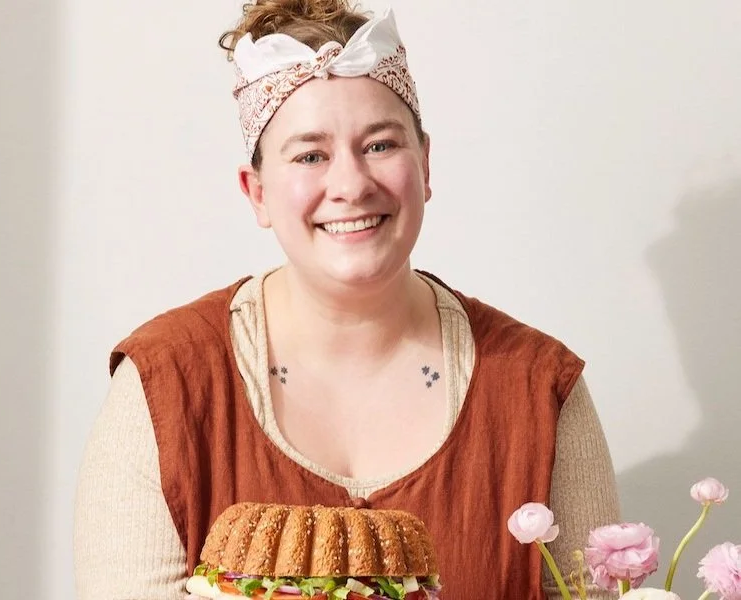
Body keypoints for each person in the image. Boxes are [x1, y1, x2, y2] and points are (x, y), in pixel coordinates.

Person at [73, 1, 620, 598]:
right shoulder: (166, 383)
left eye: (380, 145)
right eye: (310, 155)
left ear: (425, 164)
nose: (352, 185)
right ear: (257, 192)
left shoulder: (540, 388)